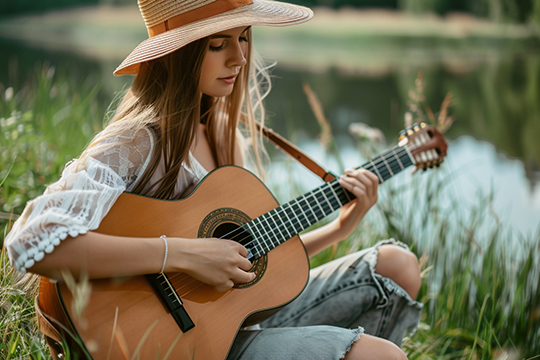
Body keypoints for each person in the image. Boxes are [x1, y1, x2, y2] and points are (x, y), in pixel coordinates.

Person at [5, 0, 423, 358]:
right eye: (218, 44)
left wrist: (341, 227)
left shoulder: (226, 142)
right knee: (381, 356)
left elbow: (252, 263)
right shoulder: (140, 140)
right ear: (176, 54)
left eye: (243, 38)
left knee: (396, 266)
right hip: (182, 343)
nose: (239, 59)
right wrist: (182, 255)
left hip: (232, 322)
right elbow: (30, 242)